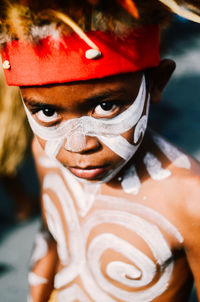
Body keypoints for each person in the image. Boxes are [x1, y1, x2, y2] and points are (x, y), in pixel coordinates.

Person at [0, 0, 200, 301]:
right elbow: (54, 237)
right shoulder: (46, 158)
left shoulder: (190, 201)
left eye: (106, 106)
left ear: (157, 82)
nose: (77, 145)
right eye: (46, 112)